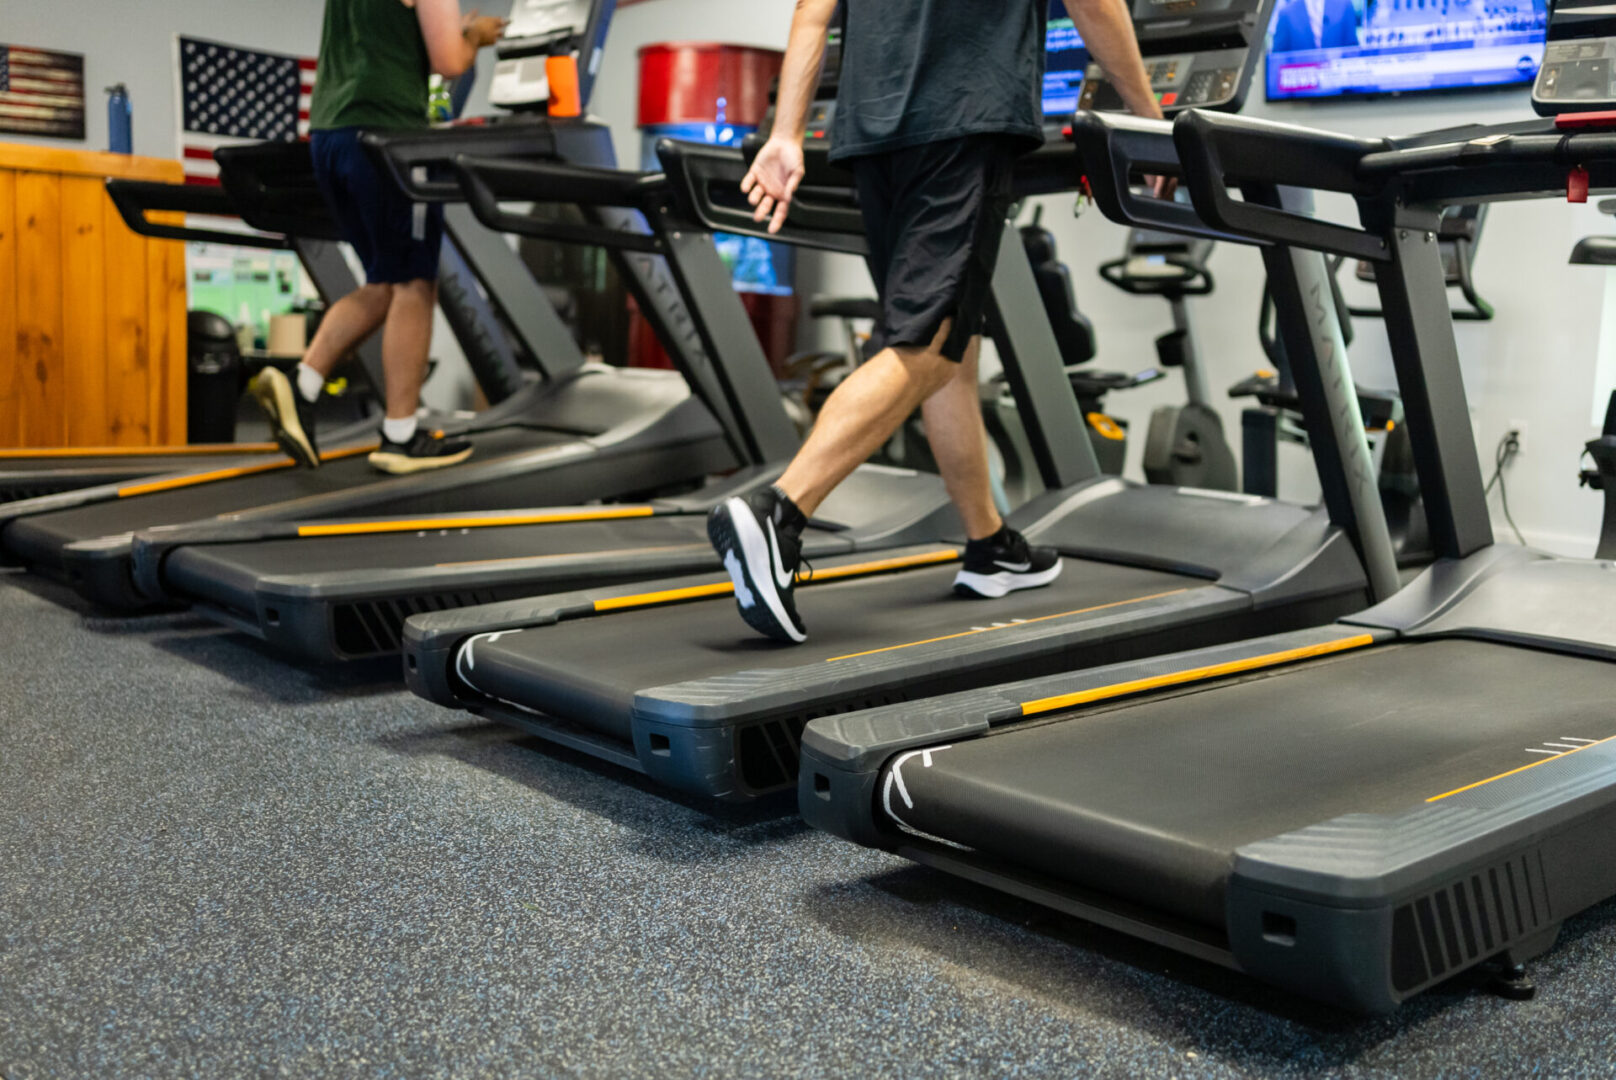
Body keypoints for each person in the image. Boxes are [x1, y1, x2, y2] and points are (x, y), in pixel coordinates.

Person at [707, 0, 1166, 643]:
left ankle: (989, 545)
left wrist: (786, 134)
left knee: (950, 344)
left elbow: (814, 11)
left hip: (871, 133)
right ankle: (779, 509)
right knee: (927, 343)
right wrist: (1150, 121)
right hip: (962, 114)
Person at [251, 0, 506, 475]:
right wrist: (475, 36)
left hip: (331, 135)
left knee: (384, 280)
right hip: (387, 136)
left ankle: (301, 385)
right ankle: (400, 436)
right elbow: (448, 61)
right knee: (414, 282)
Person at [1270, 0, 1360, 53]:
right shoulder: (1286, 13)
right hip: (1301, 82)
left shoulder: (1344, 5)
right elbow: (1278, 57)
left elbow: (1352, 50)